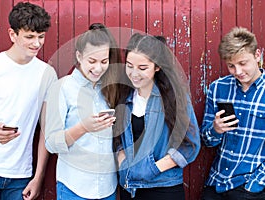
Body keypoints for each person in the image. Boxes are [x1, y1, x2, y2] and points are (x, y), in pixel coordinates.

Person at [0, 2, 57, 200]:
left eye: (41, 37)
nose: (37, 43)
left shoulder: (47, 74)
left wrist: (38, 177)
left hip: (20, 175)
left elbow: (46, 130)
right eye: (30, 37)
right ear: (12, 34)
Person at [114, 33, 201, 199]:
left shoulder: (174, 98)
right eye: (129, 65)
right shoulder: (124, 97)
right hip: (129, 188)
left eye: (142, 68)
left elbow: (190, 144)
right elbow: (118, 138)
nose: (134, 73)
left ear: (157, 67)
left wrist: (152, 168)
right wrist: (121, 159)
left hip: (163, 188)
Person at [44, 24, 122, 200]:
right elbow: (51, 143)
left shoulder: (111, 88)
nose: (98, 68)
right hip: (74, 187)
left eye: (104, 62)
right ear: (79, 56)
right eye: (91, 61)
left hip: (107, 187)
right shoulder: (62, 88)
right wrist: (83, 128)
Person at [200, 27, 265, 200]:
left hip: (251, 187)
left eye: (243, 63)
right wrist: (215, 129)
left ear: (257, 55)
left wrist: (256, 184)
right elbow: (207, 141)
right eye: (231, 66)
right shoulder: (218, 88)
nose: (237, 71)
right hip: (216, 182)